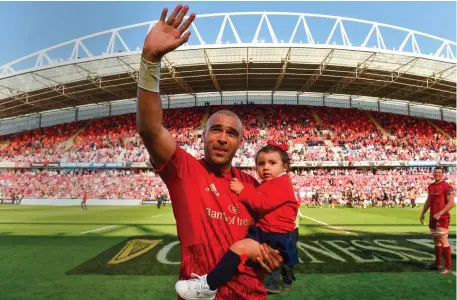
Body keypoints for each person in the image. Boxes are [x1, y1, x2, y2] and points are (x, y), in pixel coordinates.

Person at [136, 5, 282, 299]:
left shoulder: (253, 186)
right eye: (216, 129)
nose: (222, 138)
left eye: (231, 133)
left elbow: (271, 237)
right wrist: (150, 60)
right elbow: (150, 130)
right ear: (203, 137)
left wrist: (272, 254)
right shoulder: (184, 171)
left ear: (240, 142)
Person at [175, 142, 299, 299]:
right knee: (243, 258)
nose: (266, 167)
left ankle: (208, 286)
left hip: (273, 235)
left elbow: (261, 203)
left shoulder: (281, 183)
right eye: (261, 164)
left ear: (285, 166)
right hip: (268, 232)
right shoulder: (273, 183)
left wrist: (243, 190)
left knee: (239, 248)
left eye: (272, 163)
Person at [265, 193, 304, 294]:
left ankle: (287, 280)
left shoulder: (290, 192)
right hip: (276, 228)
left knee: (287, 256)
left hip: (290, 229)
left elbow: (295, 205)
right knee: (275, 254)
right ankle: (273, 283)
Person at [420, 167, 455, 275]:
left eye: (439, 172)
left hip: (442, 218)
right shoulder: (430, 186)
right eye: (435, 172)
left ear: (443, 174)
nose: (437, 174)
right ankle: (438, 264)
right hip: (432, 217)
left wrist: (440, 213)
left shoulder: (447, 187)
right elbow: (428, 201)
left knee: (443, 239)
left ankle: (447, 267)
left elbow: (451, 203)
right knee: (436, 240)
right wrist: (423, 213)